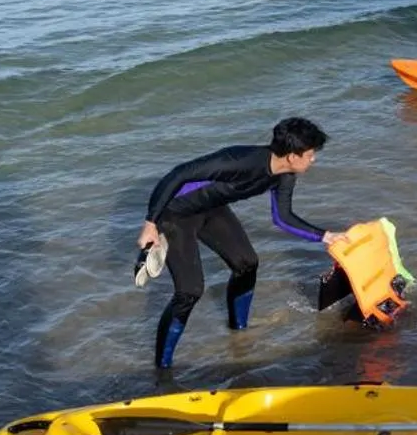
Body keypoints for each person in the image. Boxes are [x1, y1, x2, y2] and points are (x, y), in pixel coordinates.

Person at [135, 117, 346, 369]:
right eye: (310, 154)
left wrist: (325, 236)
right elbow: (178, 174)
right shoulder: (240, 161)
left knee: (247, 263)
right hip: (176, 214)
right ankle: (163, 368)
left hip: (211, 208)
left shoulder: (285, 175)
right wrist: (150, 223)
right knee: (189, 291)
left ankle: (239, 331)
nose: (314, 159)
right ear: (292, 155)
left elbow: (283, 217)